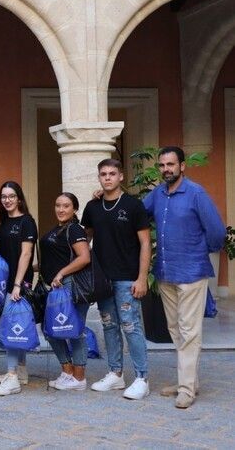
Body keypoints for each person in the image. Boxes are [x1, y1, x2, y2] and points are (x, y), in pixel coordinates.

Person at [142, 146, 226, 409]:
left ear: (182, 166)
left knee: (189, 331)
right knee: (176, 330)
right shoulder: (157, 194)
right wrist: (107, 196)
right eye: (162, 165)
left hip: (191, 272)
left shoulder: (195, 193)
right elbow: (137, 214)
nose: (166, 169)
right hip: (166, 273)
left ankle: (187, 389)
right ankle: (187, 381)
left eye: (171, 164)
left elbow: (217, 231)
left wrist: (198, 252)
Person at [82, 158, 152, 400]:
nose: (108, 178)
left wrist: (142, 278)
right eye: (103, 174)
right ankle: (115, 374)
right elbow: (85, 240)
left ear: (121, 176)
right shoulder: (92, 207)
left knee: (131, 326)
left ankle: (142, 378)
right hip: (103, 280)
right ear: (99, 177)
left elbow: (145, 243)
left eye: (112, 173)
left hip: (127, 279)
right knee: (109, 325)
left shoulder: (133, 205)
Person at [40, 192, 91, 391]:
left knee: (75, 331)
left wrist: (61, 273)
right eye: (58, 205)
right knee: (51, 331)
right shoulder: (58, 229)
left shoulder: (75, 229)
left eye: (66, 206)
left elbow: (84, 257)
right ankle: (67, 371)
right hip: (55, 289)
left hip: (71, 286)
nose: (61, 209)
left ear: (74, 209)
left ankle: (79, 378)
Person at [0, 181, 37, 396]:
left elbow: (26, 254)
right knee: (16, 325)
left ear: (19, 199)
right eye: (4, 197)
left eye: (11, 196)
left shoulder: (27, 221)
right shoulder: (3, 222)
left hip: (19, 282)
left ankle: (11, 377)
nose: (7, 200)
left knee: (11, 328)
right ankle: (21, 371)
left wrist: (18, 284)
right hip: (5, 282)